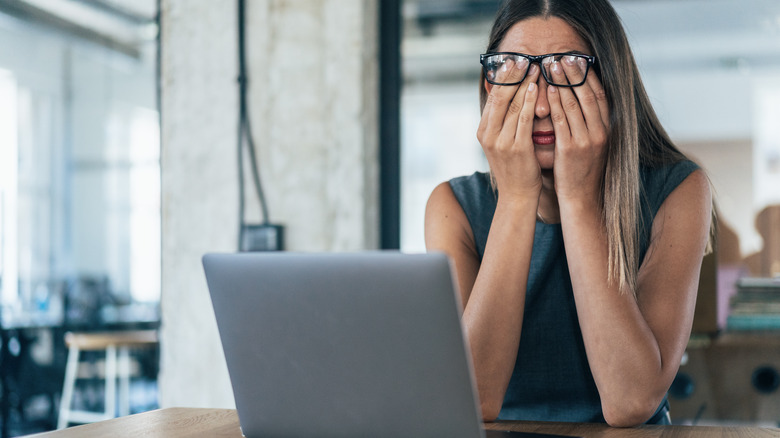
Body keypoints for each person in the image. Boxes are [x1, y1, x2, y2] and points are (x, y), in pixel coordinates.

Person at [424, 0, 714, 427]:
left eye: (566, 72)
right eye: (516, 71)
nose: (540, 106)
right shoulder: (453, 207)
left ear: (611, 86)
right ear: (491, 88)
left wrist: (577, 197)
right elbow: (472, 400)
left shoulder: (679, 190)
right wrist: (517, 198)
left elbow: (631, 401)